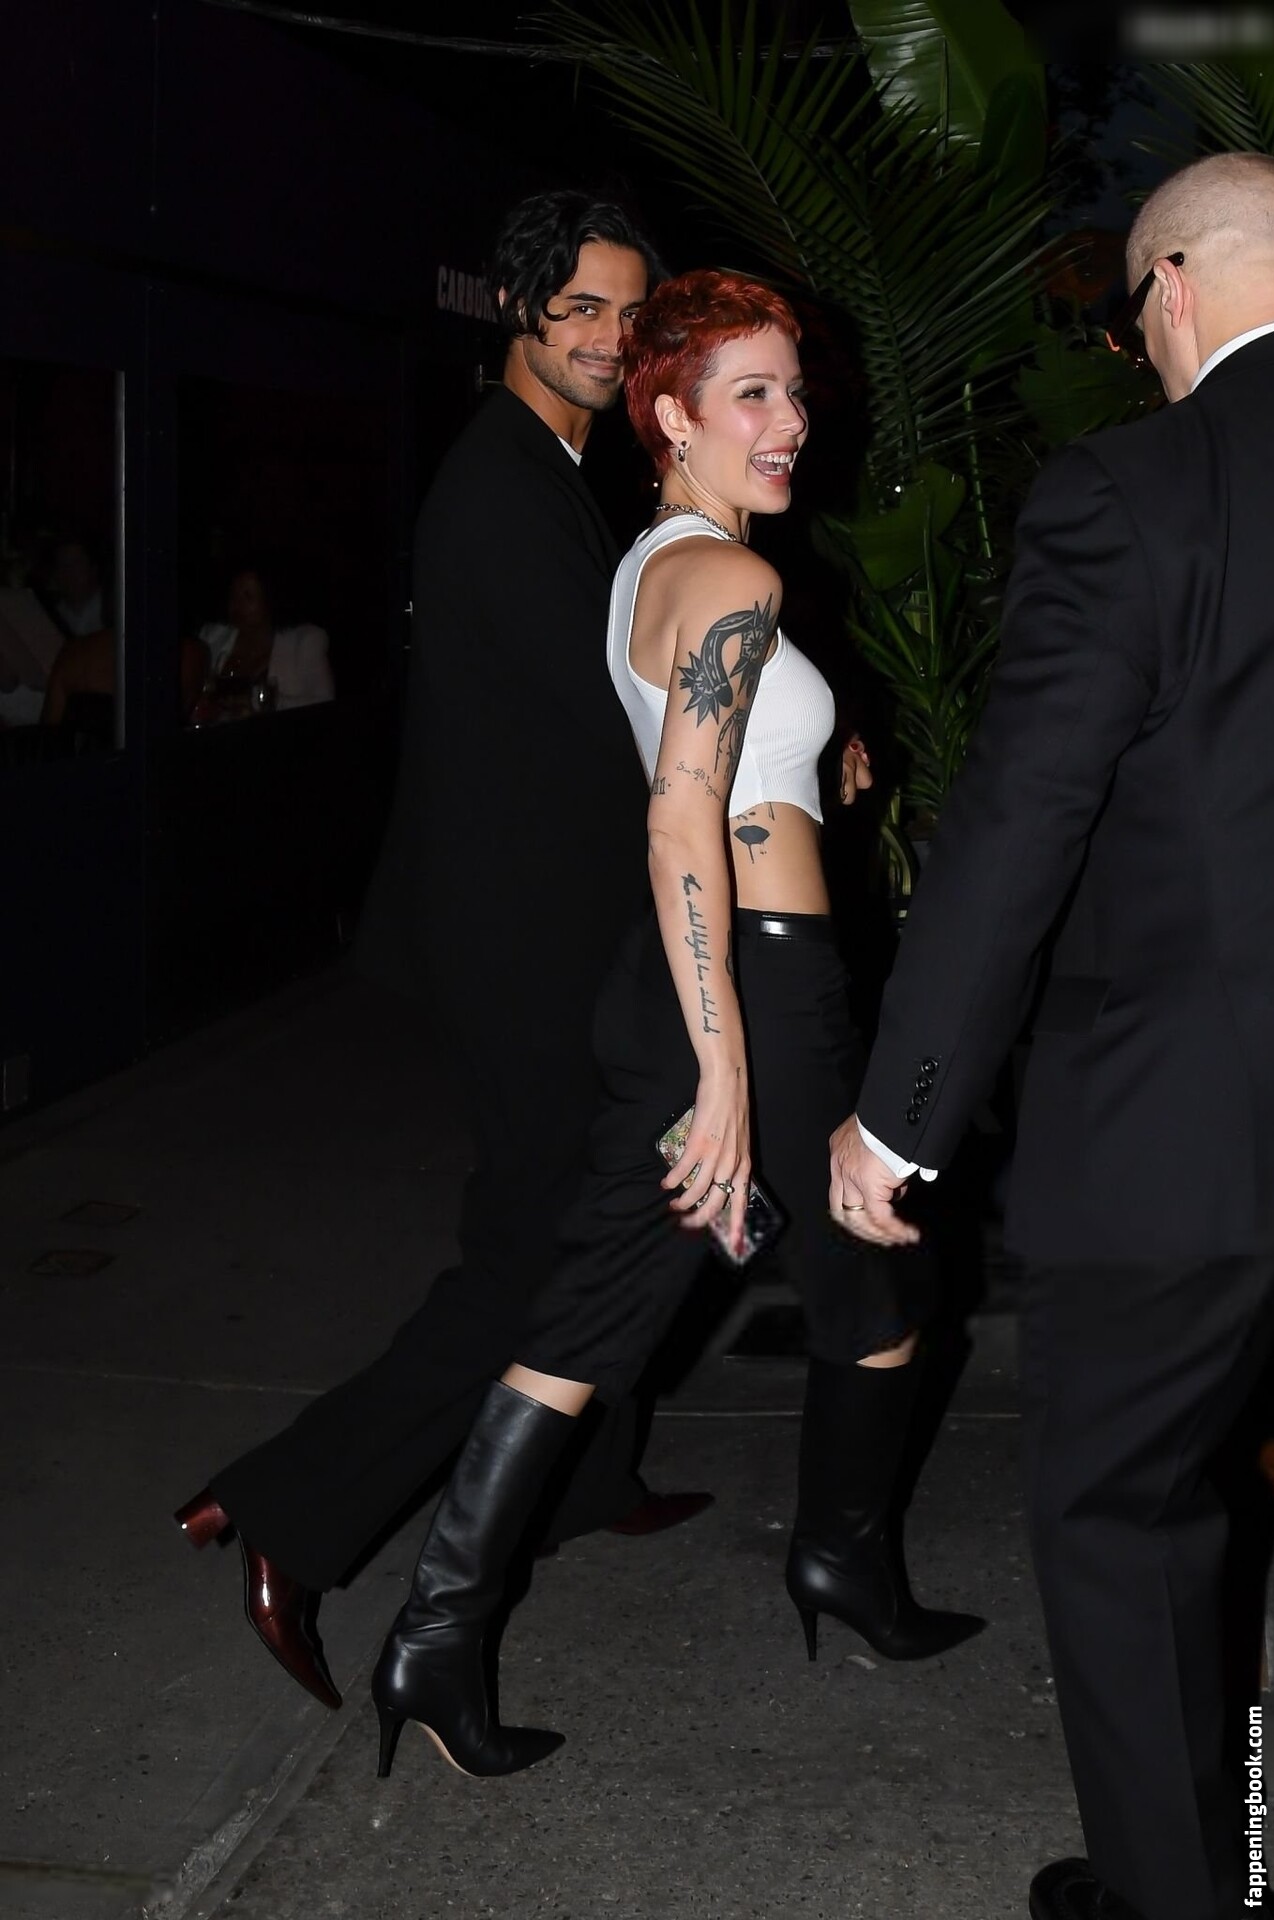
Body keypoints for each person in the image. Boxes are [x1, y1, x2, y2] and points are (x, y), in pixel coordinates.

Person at [368, 269, 984, 1786]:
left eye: (795, 391)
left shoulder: (658, 561)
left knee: (780, 1291)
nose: (791, 422)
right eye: (751, 395)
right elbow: (676, 819)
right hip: (748, 990)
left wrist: (818, 766)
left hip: (717, 981)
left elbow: (713, 774)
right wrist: (724, 1074)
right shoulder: (733, 586)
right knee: (836, 1274)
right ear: (671, 415)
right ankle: (451, 1631)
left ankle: (818, 1567)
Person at [174, 191, 710, 1712]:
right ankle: (287, 1513)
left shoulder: (557, 468)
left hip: (539, 918)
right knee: (532, 1253)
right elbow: (611, 718)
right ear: (514, 311)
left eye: (629, 312)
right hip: (521, 939)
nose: (608, 337)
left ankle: (587, 1475)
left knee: (610, 1203)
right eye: (579, 307)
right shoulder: (502, 484)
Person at [828, 153, 1274, 1920]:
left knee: (1128, 1519)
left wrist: (902, 1112)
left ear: (1172, 289)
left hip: (1184, 1133)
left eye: (1125, 315)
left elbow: (1024, 817)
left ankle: (1188, 1889)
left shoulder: (1135, 491)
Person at [188, 563, 334, 721]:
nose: (237, 605)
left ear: (270, 600)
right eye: (233, 596)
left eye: (248, 596)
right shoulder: (212, 636)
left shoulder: (304, 641)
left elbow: (325, 702)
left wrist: (261, 700)